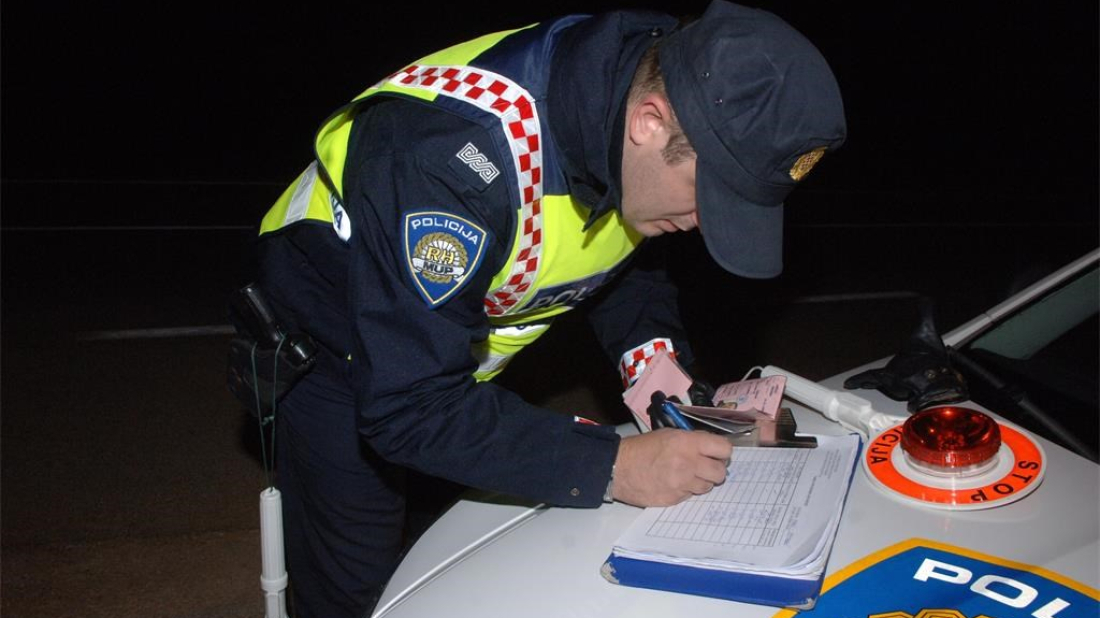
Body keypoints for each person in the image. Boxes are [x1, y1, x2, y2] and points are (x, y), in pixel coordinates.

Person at [245, 1, 845, 616]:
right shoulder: (452, 160)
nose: (700, 228)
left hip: (446, 354)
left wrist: (656, 369)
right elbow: (407, 404)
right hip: (338, 352)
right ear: (649, 121)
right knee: (364, 591)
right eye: (709, 200)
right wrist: (613, 465)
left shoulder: (647, 88)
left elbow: (627, 263)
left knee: (448, 547)